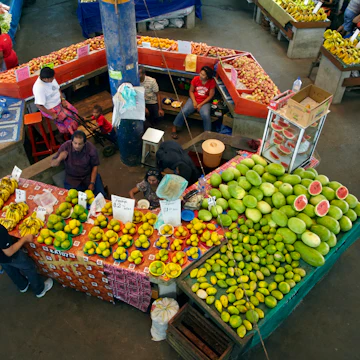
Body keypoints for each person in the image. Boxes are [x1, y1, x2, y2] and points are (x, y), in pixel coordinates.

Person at [0, 225, 53, 298]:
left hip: (2, 259)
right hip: (11, 256)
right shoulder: (0, 230)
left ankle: (22, 285)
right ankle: (39, 289)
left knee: (10, 269)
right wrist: (25, 239)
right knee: (29, 267)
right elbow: (9, 252)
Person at [51, 130, 106, 196]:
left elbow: (95, 166)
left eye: (80, 144)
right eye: (75, 143)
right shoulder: (65, 146)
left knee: (101, 196)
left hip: (88, 176)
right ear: (72, 141)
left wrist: (92, 183)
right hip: (72, 179)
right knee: (72, 201)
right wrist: (59, 158)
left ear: (84, 143)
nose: (77, 146)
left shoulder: (91, 149)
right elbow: (53, 164)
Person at [172, 66, 216, 139]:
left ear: (207, 77)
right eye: (201, 73)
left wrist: (200, 105)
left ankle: (207, 134)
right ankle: (175, 126)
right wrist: (194, 102)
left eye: (203, 75)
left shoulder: (211, 82)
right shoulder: (195, 79)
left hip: (205, 102)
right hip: (194, 99)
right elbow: (191, 91)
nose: (200, 75)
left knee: (205, 115)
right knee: (184, 110)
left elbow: (210, 96)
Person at [33, 67, 79, 135]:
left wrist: (62, 100)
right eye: (51, 78)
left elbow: (58, 89)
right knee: (67, 118)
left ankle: (74, 131)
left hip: (60, 102)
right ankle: (70, 135)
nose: (53, 79)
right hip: (50, 108)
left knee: (74, 113)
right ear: (45, 79)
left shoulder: (51, 78)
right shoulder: (39, 88)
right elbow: (39, 105)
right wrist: (51, 114)